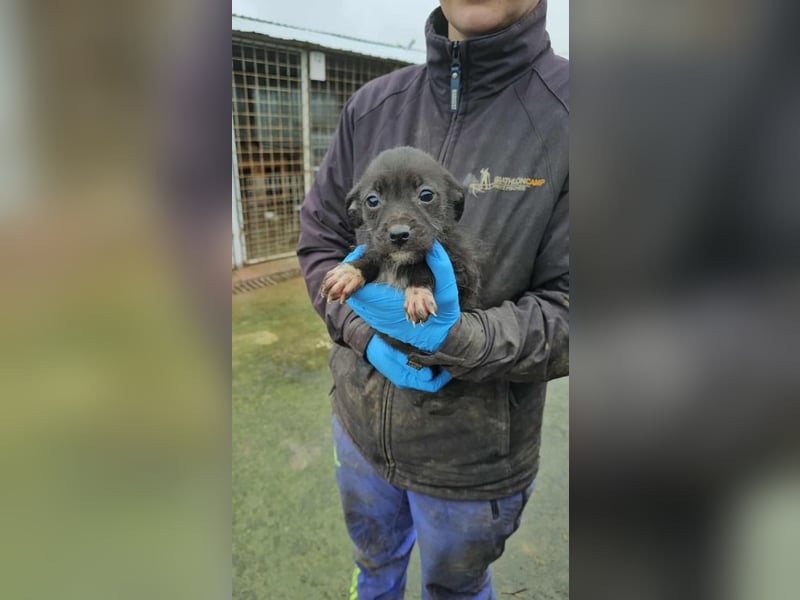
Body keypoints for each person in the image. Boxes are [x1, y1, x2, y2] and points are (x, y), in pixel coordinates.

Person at [297, 0, 568, 597]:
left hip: (472, 460)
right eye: (378, 206)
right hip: (361, 427)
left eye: (422, 199)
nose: (397, 223)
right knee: (374, 567)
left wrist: (457, 338)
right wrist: (361, 331)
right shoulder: (369, 107)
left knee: (455, 589)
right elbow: (321, 246)